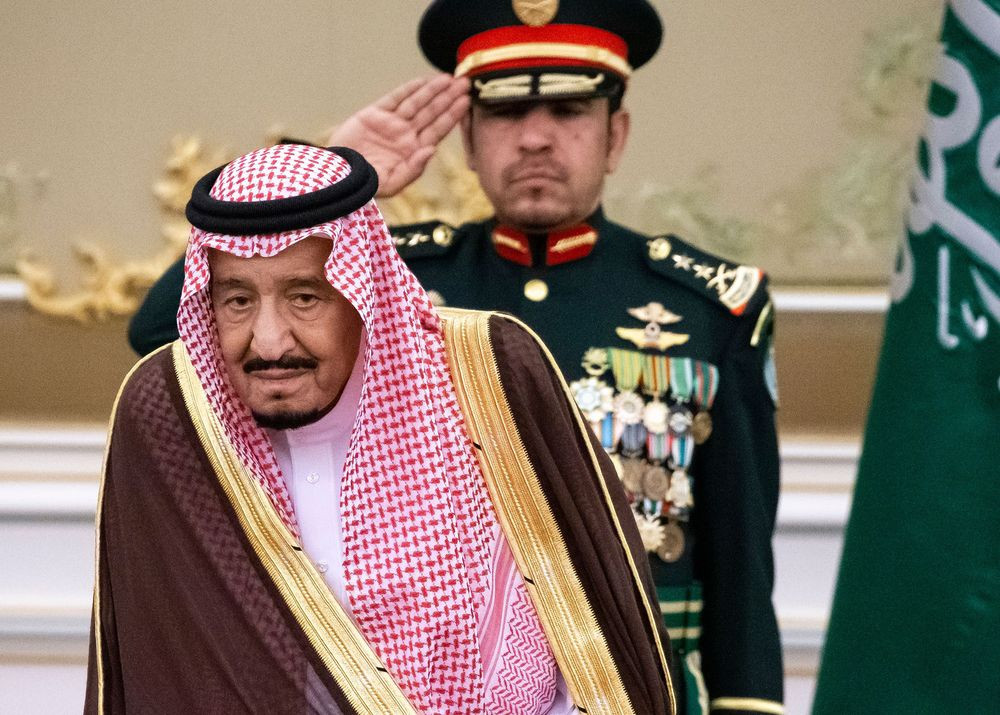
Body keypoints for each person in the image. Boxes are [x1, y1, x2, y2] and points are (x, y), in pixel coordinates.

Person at [127, 2, 784, 713]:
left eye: (569, 111)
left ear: (615, 135)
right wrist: (327, 180)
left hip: (635, 685)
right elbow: (168, 337)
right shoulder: (389, 283)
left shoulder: (708, 308)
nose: (535, 138)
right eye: (504, 114)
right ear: (467, 140)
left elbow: (741, 567)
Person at [88, 143, 676, 714]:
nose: (268, 341)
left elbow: (594, 664)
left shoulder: (489, 377)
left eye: (305, 297)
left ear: (363, 293)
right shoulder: (173, 416)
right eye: (237, 301)